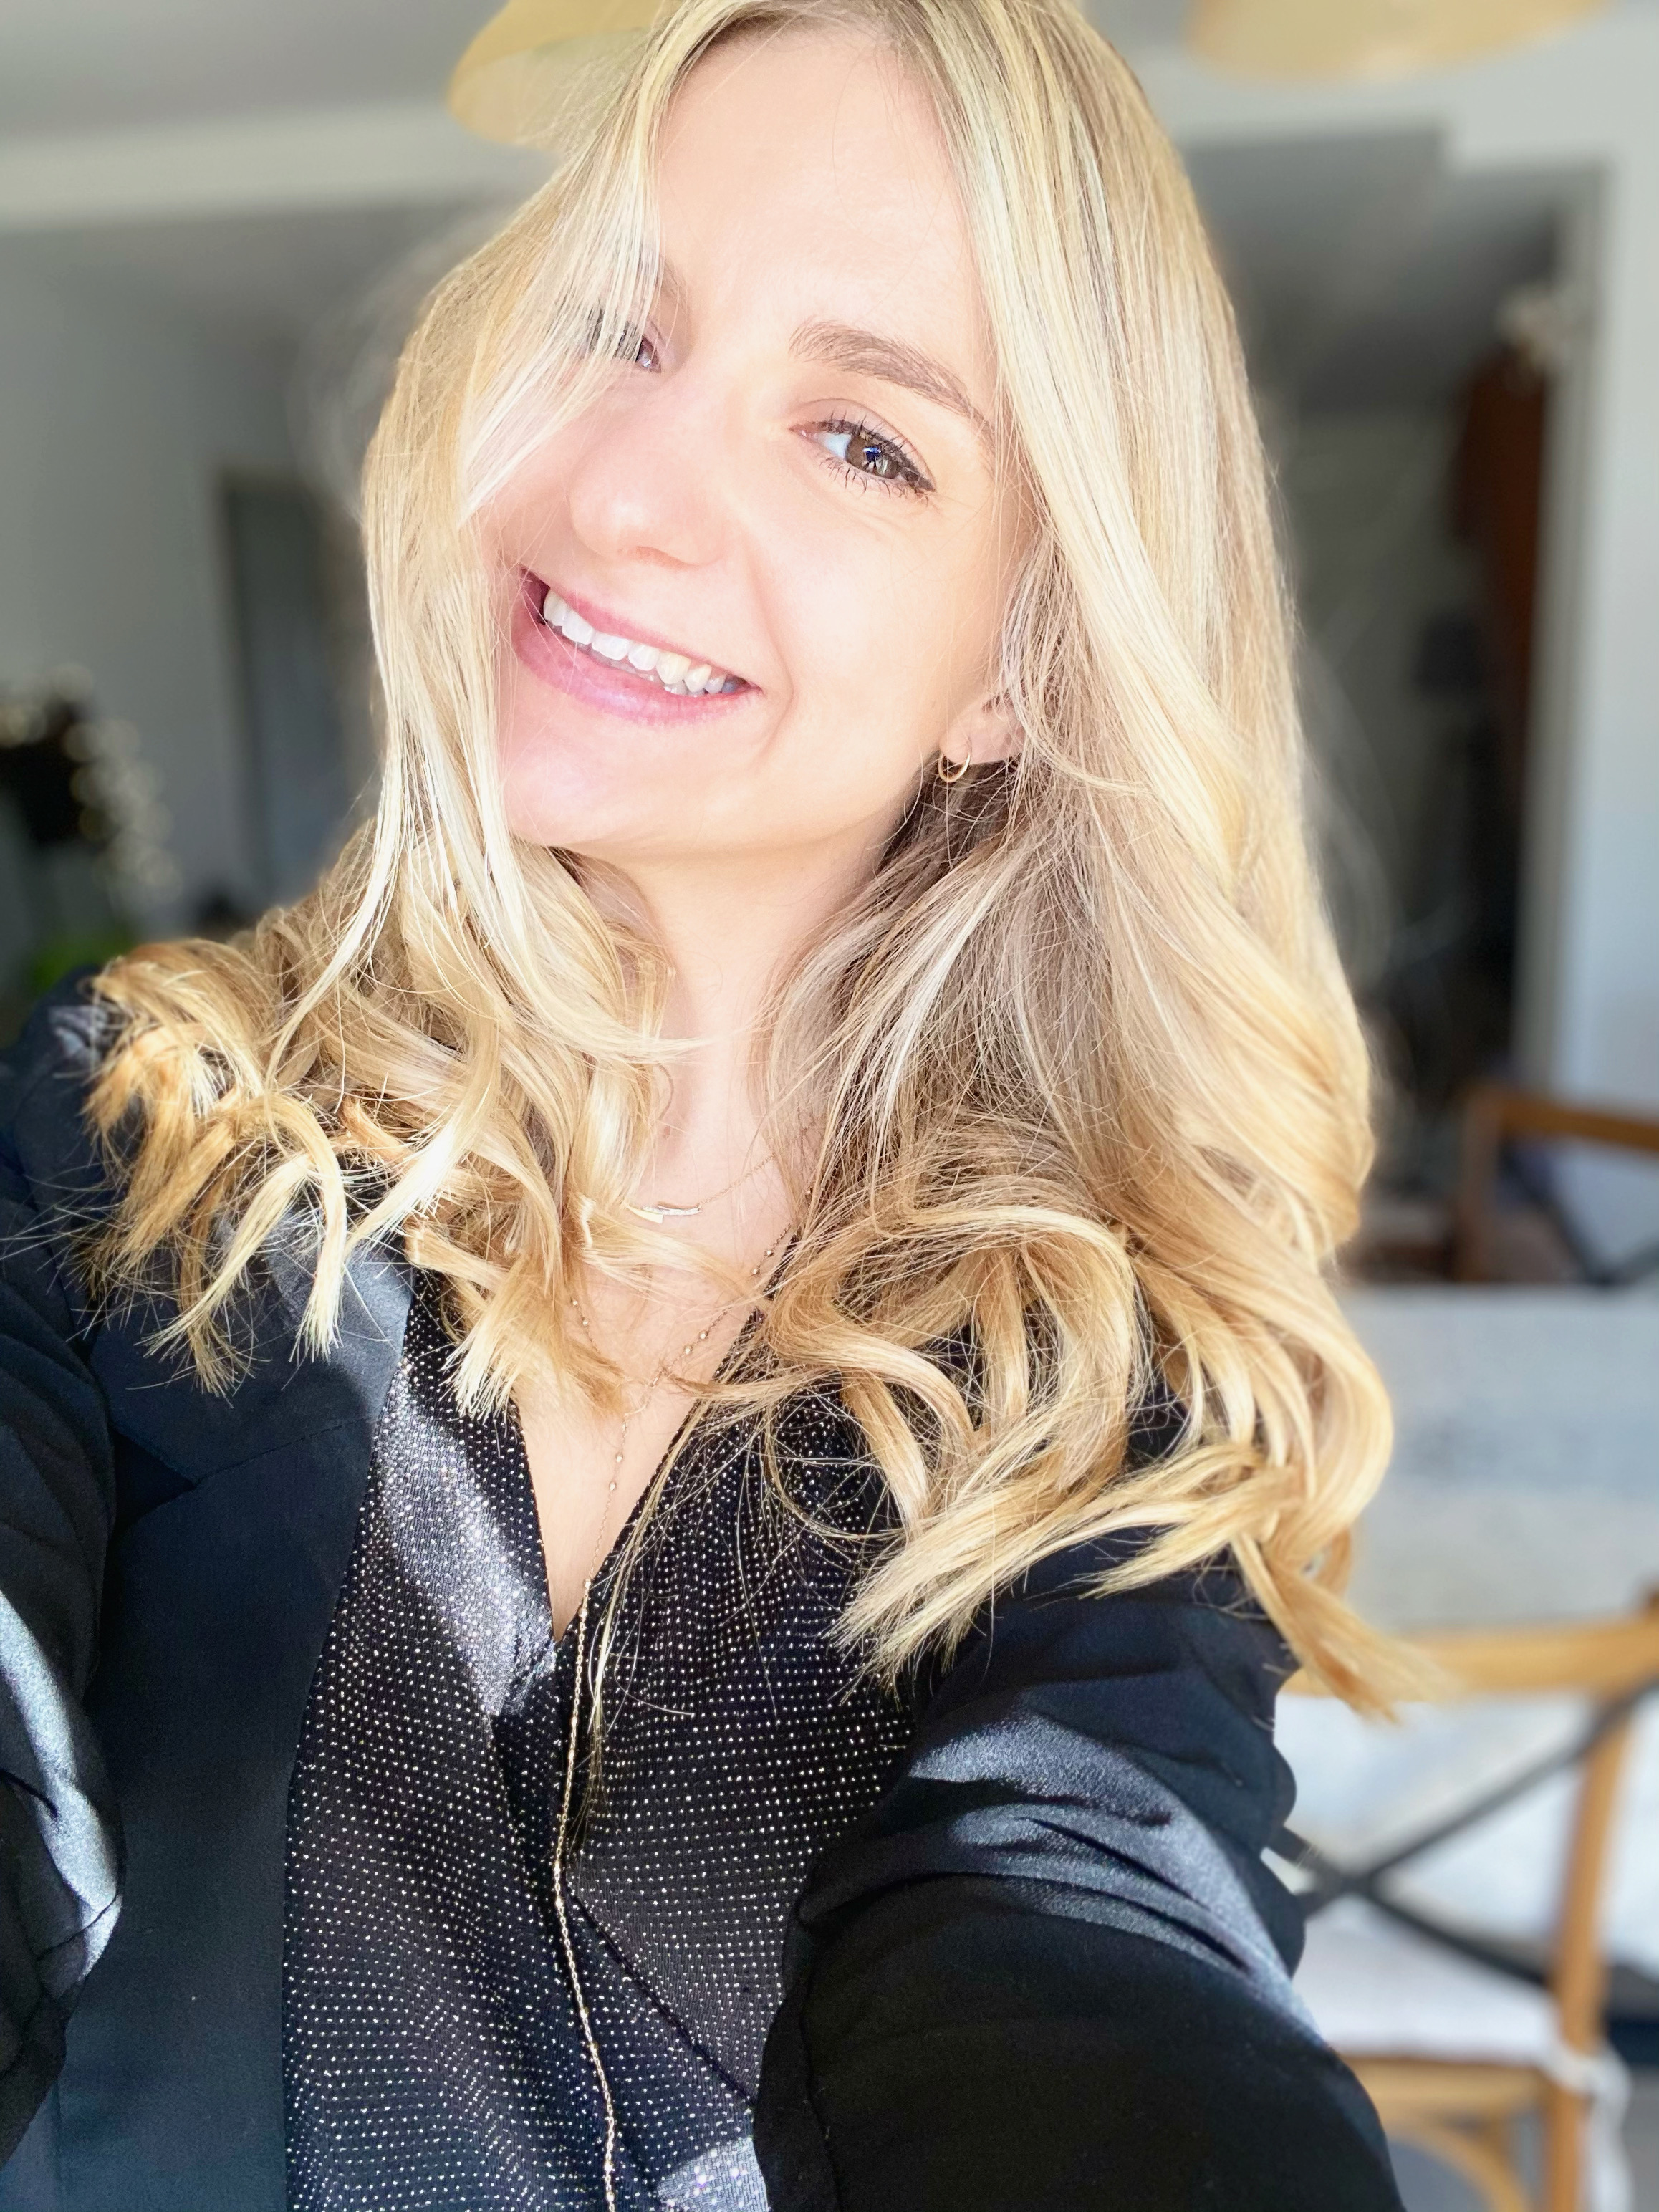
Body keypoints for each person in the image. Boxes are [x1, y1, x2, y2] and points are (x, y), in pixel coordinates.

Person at [0, 3, 1409, 2206]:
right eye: (613, 326)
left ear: (1019, 663)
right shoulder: (137, 1128)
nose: (621, 494)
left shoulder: (1084, 1367)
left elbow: (1096, 1905)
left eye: (861, 440)